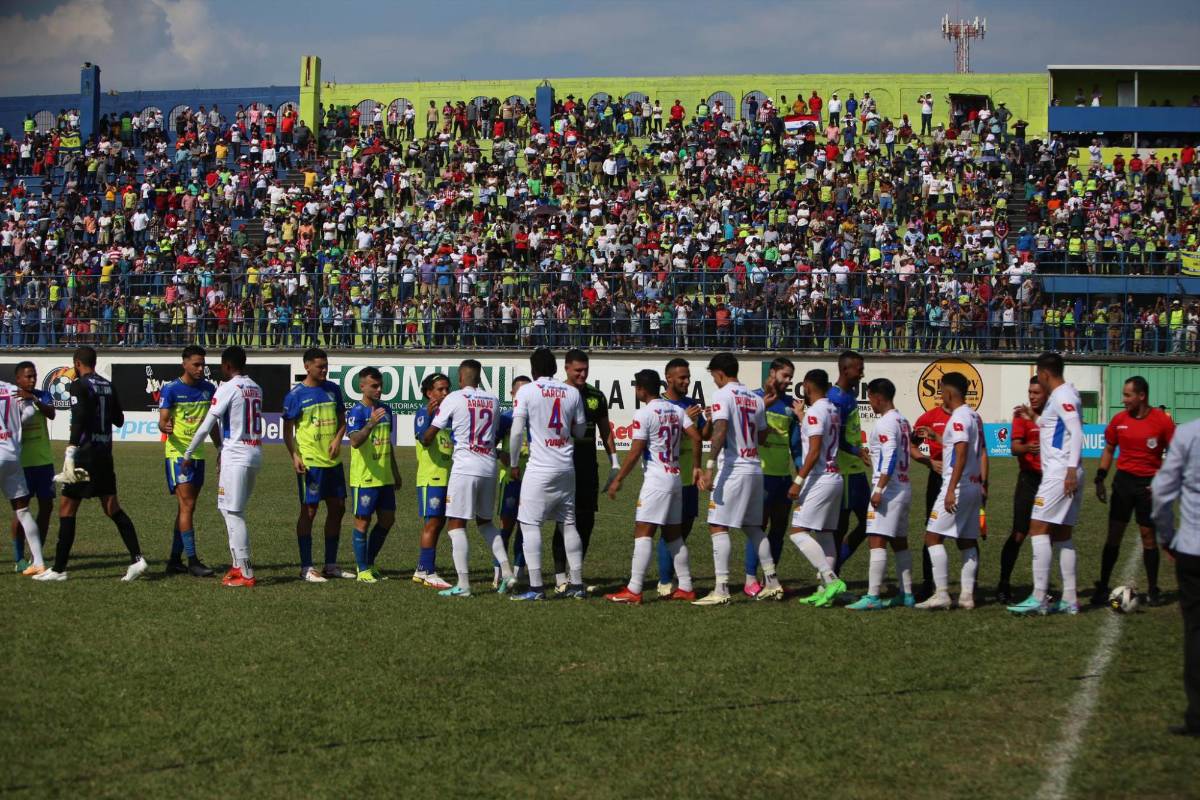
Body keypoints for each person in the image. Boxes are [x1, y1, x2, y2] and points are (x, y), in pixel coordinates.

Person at [35, 346, 148, 582]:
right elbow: (119, 419)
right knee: (112, 508)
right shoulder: (108, 385)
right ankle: (137, 559)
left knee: (67, 508)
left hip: (85, 455)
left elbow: (80, 418)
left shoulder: (79, 385)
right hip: (105, 454)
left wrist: (70, 451)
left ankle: (58, 569)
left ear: (77, 363)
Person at [605, 368, 702, 604]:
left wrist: (619, 478)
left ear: (640, 389)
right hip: (676, 477)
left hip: (657, 480)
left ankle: (634, 589)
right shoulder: (677, 410)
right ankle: (686, 586)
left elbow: (636, 450)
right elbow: (697, 437)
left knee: (643, 533)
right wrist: (697, 467)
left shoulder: (645, 413)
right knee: (673, 536)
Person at [424, 359, 514, 597]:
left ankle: (463, 584)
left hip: (465, 466)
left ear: (460, 378)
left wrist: (430, 419)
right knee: (485, 523)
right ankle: (507, 571)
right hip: (488, 466)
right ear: (479, 378)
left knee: (455, 525)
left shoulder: (453, 398)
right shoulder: (493, 400)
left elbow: (428, 436)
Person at [507, 347, 586, 601]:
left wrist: (513, 460)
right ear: (555, 368)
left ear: (533, 370)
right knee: (568, 524)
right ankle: (577, 584)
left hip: (539, 468)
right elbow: (581, 431)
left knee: (530, 525)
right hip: (565, 467)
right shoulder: (572, 392)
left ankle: (537, 587)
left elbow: (517, 431)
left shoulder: (527, 391)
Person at [1009, 352, 1085, 616]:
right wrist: (1034, 417)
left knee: (1037, 529)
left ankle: (1040, 596)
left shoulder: (1062, 395)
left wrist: (1071, 469)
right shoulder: (1065, 395)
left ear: (1044, 374)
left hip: (1059, 472)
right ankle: (1070, 599)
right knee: (1063, 535)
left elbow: (1076, 431)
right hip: (1064, 469)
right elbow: (1056, 429)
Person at [180, 346, 263, 587]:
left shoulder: (227, 387)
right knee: (230, 510)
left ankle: (246, 572)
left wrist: (188, 453)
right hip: (254, 453)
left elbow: (207, 425)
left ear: (227, 366)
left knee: (233, 513)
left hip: (236, 456)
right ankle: (237, 565)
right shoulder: (256, 387)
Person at [694, 353, 768, 606]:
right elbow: (763, 436)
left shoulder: (723, 394)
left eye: (714, 376)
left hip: (734, 469)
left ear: (720, 373)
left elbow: (721, 429)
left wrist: (710, 467)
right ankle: (773, 582)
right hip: (755, 467)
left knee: (717, 524)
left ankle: (721, 588)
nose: (714, 381)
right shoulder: (755, 398)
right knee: (753, 528)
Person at [1094, 376, 1175, 605]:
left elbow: (1176, 453)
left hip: (1148, 486)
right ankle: (1103, 585)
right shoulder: (1119, 420)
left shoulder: (1162, 421)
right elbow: (1109, 449)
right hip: (1123, 483)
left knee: (1148, 537)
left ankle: (1153, 590)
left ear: (1142, 396)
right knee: (1114, 535)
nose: (1124, 400)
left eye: (1128, 395)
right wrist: (1100, 477)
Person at [916, 372, 985, 610]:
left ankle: (942, 592)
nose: (940, 395)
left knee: (932, 537)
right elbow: (975, 450)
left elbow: (962, 453)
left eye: (941, 390)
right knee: (966, 541)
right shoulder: (974, 416)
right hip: (974, 485)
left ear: (949, 392)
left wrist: (951, 488)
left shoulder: (958, 418)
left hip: (958, 485)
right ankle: (966, 596)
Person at [282, 347, 350, 583]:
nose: (324, 370)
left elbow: (343, 421)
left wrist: (338, 438)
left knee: (338, 508)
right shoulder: (296, 395)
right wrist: (295, 456)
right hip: (311, 462)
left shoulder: (333, 390)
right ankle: (306, 567)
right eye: (320, 366)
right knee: (309, 511)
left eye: (326, 365)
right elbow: (287, 430)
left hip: (333, 462)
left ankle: (330, 565)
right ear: (307, 366)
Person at [551, 349, 616, 594]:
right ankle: (559, 578)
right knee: (563, 522)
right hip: (562, 466)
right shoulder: (556, 395)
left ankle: (574, 573)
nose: (582, 374)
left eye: (585, 370)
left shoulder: (595, 396)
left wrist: (615, 463)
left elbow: (606, 430)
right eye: (577, 370)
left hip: (588, 467)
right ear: (566, 368)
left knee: (586, 521)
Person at [1150, 418, 1200, 737]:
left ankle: (1197, 717)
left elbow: (1161, 491)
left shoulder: (1188, 434)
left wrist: (1167, 536)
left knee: (1195, 630)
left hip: (1194, 548)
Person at [848, 378, 914, 610]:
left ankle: (873, 596)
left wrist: (879, 489)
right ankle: (907, 594)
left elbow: (891, 456)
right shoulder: (903, 420)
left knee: (876, 540)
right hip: (904, 487)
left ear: (877, 397)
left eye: (870, 397)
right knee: (899, 543)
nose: (870, 403)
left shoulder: (886, 423)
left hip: (889, 490)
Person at [157, 345, 219, 577]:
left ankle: (174, 560)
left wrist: (220, 448)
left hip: (199, 455)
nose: (201, 368)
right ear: (184, 364)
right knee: (188, 506)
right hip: (178, 455)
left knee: (186, 508)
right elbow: (162, 421)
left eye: (203, 364)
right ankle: (192, 560)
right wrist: (166, 426)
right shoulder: (172, 389)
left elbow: (211, 424)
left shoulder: (208, 389)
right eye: (196, 364)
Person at [788, 369, 848, 607]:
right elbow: (818, 437)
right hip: (834, 477)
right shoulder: (832, 409)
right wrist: (801, 416)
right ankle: (826, 589)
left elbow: (813, 451)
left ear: (807, 386)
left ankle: (830, 579)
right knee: (824, 534)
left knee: (798, 531)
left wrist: (798, 481)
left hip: (820, 478)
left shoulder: (816, 411)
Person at [743, 357, 800, 597]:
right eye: (785, 375)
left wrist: (799, 476)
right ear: (773, 372)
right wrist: (761, 409)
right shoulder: (754, 398)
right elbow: (744, 434)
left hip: (783, 478)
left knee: (778, 529)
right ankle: (749, 579)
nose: (788, 381)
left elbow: (795, 446)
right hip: (760, 476)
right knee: (758, 528)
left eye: (790, 377)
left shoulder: (791, 406)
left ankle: (770, 578)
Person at [655, 358, 707, 596]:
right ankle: (664, 581)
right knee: (669, 532)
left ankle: (674, 577)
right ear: (669, 379)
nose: (687, 381)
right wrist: (683, 418)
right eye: (682, 377)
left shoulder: (691, 404)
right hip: (667, 477)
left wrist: (710, 421)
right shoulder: (658, 405)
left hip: (689, 478)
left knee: (683, 530)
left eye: (688, 377)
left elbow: (702, 436)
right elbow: (656, 438)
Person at [345, 367, 401, 584]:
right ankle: (362, 570)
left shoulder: (386, 410)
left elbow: (389, 444)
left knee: (388, 519)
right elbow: (356, 441)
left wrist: (395, 471)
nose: (379, 390)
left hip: (385, 476)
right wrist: (370, 424)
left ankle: (369, 562)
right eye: (374, 386)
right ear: (362, 386)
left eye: (380, 386)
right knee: (362, 522)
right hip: (364, 478)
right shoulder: (357, 412)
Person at [996, 377, 1046, 603]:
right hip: (1029, 479)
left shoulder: (1053, 414)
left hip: (1051, 481)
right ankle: (1003, 583)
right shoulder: (1020, 416)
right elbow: (1014, 447)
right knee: (1019, 532)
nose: (1032, 396)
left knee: (1049, 535)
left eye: (1036, 392)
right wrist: (1028, 447)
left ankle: (1043, 588)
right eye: (1030, 392)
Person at [10, 361, 54, 574]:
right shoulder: (10, 400)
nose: (32, 379)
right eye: (27, 376)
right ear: (17, 379)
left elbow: (52, 414)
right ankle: (19, 558)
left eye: (34, 376)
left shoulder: (42, 395)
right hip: (22, 464)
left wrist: (35, 399)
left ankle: (37, 554)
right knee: (21, 511)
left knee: (46, 509)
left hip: (44, 462)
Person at [0, 375, 47, 577]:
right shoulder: (12, 390)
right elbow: (28, 413)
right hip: (11, 455)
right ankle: (38, 562)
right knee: (23, 511)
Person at [829, 351, 869, 572]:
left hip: (856, 470)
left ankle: (833, 568)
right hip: (843, 470)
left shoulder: (849, 394)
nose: (862, 373)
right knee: (840, 526)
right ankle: (831, 573)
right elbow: (836, 438)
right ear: (845, 370)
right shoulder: (836, 399)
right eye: (859, 369)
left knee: (869, 522)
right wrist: (857, 451)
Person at [412, 372, 453, 589]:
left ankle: (422, 569)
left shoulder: (449, 415)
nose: (445, 393)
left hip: (446, 476)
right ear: (429, 393)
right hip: (431, 477)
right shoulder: (423, 412)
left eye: (447, 389)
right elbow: (424, 440)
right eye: (440, 389)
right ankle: (429, 572)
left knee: (439, 523)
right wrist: (429, 416)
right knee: (432, 523)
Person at [910, 393, 952, 599]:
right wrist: (929, 462)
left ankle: (970, 589)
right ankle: (928, 583)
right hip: (937, 480)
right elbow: (911, 445)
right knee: (931, 529)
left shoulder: (966, 417)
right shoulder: (929, 417)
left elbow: (978, 450)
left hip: (962, 480)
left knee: (966, 535)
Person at [494, 375, 531, 587]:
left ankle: (519, 572)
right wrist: (500, 454)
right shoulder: (507, 418)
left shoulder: (536, 417)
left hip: (532, 479)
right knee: (506, 526)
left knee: (526, 526)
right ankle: (498, 571)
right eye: (520, 392)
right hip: (510, 479)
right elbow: (489, 444)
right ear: (512, 394)